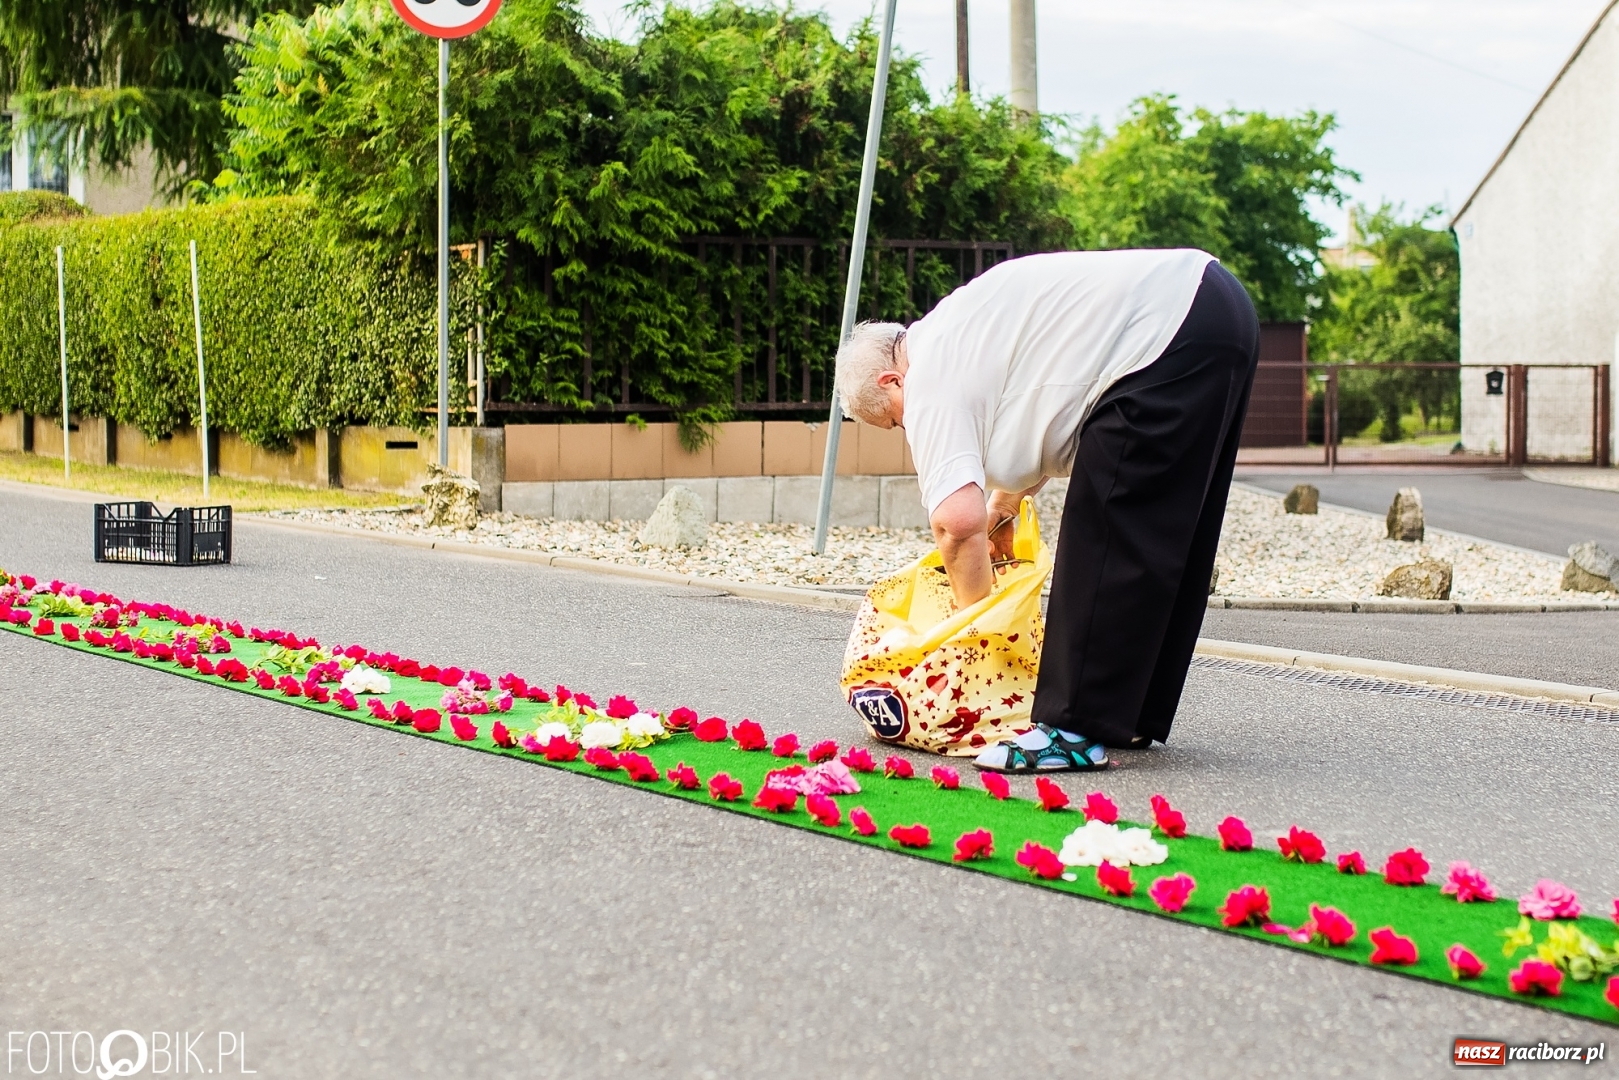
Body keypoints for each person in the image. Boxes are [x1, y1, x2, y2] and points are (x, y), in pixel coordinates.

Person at [834, 249, 1259, 772]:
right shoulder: (960, 326)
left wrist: (979, 636)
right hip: (1214, 309)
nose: (907, 429)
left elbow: (955, 524)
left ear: (890, 384)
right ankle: (1128, 714)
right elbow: (1044, 421)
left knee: (1104, 529)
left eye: (895, 423)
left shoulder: (929, 374)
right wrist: (1006, 506)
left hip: (1166, 329)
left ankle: (1072, 730)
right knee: (1160, 527)